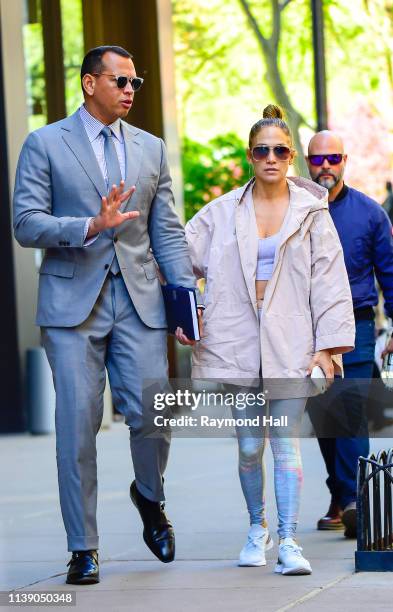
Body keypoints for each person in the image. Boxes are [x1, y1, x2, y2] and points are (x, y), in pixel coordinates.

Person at [13, 45, 196, 584]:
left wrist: (185, 301)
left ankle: (148, 494)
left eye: (135, 82)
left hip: (139, 304)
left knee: (154, 418)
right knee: (77, 427)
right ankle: (83, 546)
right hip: (72, 307)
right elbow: (25, 222)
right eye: (121, 81)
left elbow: (165, 230)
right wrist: (88, 226)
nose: (130, 90)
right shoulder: (45, 143)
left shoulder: (151, 148)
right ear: (90, 83)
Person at [179, 105, 355, 575]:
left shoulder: (314, 214)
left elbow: (331, 283)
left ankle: (290, 542)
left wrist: (327, 347)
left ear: (291, 156)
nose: (271, 158)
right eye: (262, 151)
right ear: (250, 157)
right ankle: (257, 529)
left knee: (285, 443)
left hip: (291, 344)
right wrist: (187, 311)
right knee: (247, 447)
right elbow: (176, 262)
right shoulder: (220, 213)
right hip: (236, 342)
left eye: (279, 150)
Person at [306, 131, 393, 537]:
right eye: (318, 159)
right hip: (304, 332)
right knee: (324, 420)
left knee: (351, 413)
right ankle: (340, 494)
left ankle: (358, 500)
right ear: (306, 162)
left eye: (333, 158)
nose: (326, 165)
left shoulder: (371, 214)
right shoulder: (294, 210)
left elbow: (389, 275)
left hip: (355, 326)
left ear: (345, 160)